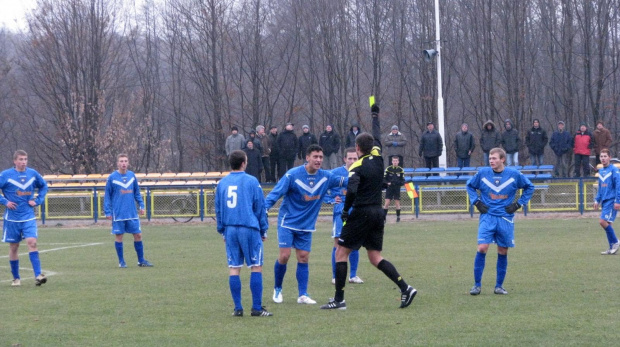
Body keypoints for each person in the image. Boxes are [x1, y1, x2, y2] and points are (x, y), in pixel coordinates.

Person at [321, 104, 417, 310]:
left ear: (357, 148)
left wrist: (346, 210)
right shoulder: (379, 157)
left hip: (362, 212)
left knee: (340, 253)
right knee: (375, 257)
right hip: (378, 213)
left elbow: (352, 191)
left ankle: (338, 300)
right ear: (372, 146)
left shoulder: (356, 166)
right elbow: (376, 136)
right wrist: (375, 115)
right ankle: (405, 288)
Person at [265, 144, 348, 305]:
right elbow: (276, 193)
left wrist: (369, 179)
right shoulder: (292, 175)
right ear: (307, 158)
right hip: (287, 222)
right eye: (315, 157)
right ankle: (277, 289)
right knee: (284, 256)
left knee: (303, 258)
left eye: (320, 157)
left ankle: (302, 294)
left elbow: (347, 181)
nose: (318, 160)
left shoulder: (326, 176)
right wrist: (264, 208)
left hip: (306, 225)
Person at [466, 147, 534, 296]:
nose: (491, 161)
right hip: (487, 217)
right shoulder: (483, 173)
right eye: (490, 158)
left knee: (502, 250)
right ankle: (476, 285)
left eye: (494, 158)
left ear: (502, 159)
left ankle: (499, 286)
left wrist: (518, 204)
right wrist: (476, 202)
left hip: (505, 218)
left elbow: (530, 187)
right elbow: (470, 185)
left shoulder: (514, 174)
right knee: (482, 247)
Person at [215, 150, 272, 317]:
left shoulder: (222, 183)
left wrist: (222, 230)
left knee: (234, 268)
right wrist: (263, 229)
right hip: (249, 228)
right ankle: (256, 308)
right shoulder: (252, 181)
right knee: (256, 266)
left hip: (230, 229)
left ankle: (238, 308)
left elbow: (218, 209)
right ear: (244, 163)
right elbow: (260, 207)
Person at [0, 150, 48, 286]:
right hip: (12, 218)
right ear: (14, 161)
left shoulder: (32, 174)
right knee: (14, 247)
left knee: (32, 242)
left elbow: (44, 186)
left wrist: (38, 200)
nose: (23, 162)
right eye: (21, 159)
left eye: (25, 159)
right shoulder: (6, 175)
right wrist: (5, 202)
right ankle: (16, 278)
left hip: (28, 216)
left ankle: (38, 275)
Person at [323, 147, 364, 284]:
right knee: (338, 243)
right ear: (345, 159)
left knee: (355, 244)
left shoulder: (362, 172)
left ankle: (353, 275)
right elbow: (322, 188)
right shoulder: (335, 173)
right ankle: (335, 276)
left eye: (355, 158)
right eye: (350, 158)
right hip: (341, 211)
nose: (352, 161)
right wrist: (331, 200)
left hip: (357, 211)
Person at [104, 154, 153, 268]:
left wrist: (141, 205)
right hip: (118, 213)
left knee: (138, 235)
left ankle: (141, 261)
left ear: (128, 163)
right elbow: (107, 195)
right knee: (119, 236)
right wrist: (107, 211)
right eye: (121, 161)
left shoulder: (132, 176)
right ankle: (121, 262)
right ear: (118, 163)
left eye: (125, 161)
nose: (124, 163)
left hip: (132, 213)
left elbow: (136, 192)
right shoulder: (112, 177)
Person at [593, 149, 620, 255]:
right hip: (604, 200)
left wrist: (618, 200)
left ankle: (616, 242)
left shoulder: (614, 170)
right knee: (608, 223)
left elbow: (618, 186)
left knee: (602, 222)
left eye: (605, 156)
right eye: (601, 156)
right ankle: (611, 247)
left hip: (611, 200)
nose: (603, 158)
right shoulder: (601, 171)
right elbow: (600, 188)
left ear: (609, 157)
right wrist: (597, 199)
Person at [383, 156, 405, 222]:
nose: (395, 162)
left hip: (397, 188)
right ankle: (384, 218)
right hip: (389, 188)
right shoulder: (388, 169)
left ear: (398, 162)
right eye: (394, 161)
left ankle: (398, 218)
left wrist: (399, 183)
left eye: (396, 161)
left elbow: (402, 180)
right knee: (387, 203)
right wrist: (387, 183)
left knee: (397, 203)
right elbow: (384, 179)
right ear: (392, 162)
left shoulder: (401, 170)